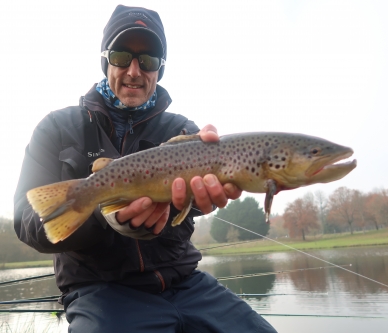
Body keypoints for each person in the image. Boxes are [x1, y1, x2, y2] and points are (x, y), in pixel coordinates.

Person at [14, 5, 277, 333]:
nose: (135, 71)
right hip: (101, 293)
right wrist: (103, 215)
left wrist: (197, 200)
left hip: (187, 285)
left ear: (159, 69)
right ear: (105, 60)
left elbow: (192, 206)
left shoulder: (184, 131)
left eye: (149, 60)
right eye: (122, 56)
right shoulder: (57, 128)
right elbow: (28, 222)